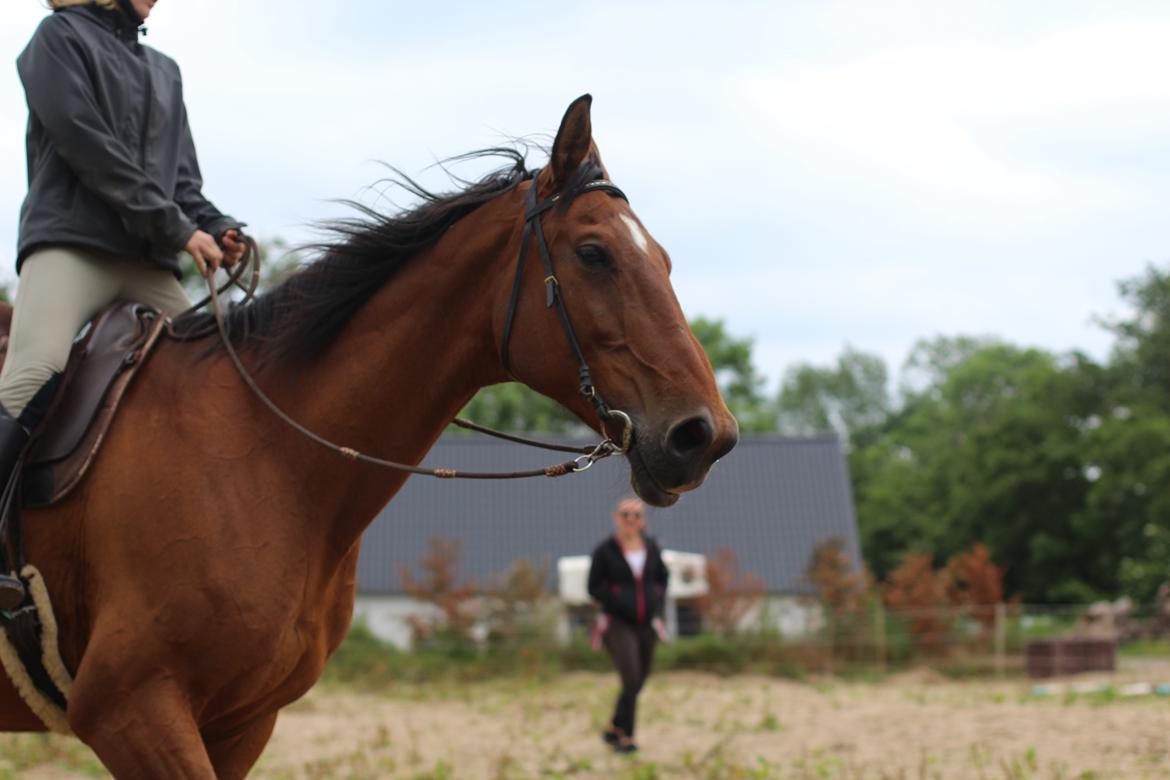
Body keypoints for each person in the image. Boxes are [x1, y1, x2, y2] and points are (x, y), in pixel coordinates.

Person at [0, 0, 245, 604]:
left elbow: (183, 182)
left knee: (229, 381)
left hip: (148, 263)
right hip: (72, 248)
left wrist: (217, 226)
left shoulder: (164, 70)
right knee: (32, 376)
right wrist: (177, 229)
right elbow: (89, 150)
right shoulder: (55, 38)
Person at [587, 496, 670, 754]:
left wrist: (656, 599)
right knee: (631, 677)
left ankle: (614, 727)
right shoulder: (605, 550)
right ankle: (628, 737)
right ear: (616, 518)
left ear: (643, 520)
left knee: (640, 680)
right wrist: (618, 600)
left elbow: (662, 578)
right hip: (618, 622)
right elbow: (594, 586)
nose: (631, 520)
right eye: (626, 514)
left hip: (646, 622)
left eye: (637, 515)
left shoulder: (652, 547)